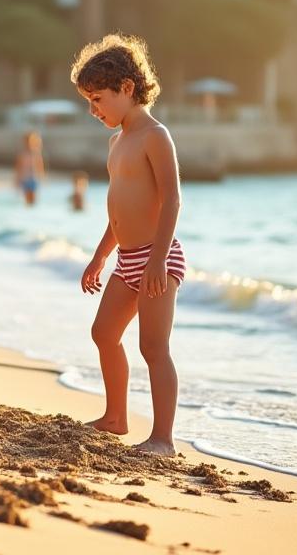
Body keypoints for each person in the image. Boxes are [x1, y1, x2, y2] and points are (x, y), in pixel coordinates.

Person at [73, 34, 185, 455]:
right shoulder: (116, 142)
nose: (93, 109)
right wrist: (100, 256)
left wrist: (158, 259)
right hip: (127, 257)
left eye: (98, 98)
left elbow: (172, 199)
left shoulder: (155, 136)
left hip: (159, 256)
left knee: (153, 346)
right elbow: (117, 209)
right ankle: (116, 417)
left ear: (127, 88)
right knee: (104, 332)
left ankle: (163, 438)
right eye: (88, 101)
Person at [14, 131, 45, 206]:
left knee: (33, 197)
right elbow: (18, 167)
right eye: (27, 142)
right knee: (26, 198)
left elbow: (40, 166)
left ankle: (32, 208)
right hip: (25, 178)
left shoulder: (37, 154)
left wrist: (42, 177)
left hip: (34, 178)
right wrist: (17, 179)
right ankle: (28, 207)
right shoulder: (22, 154)